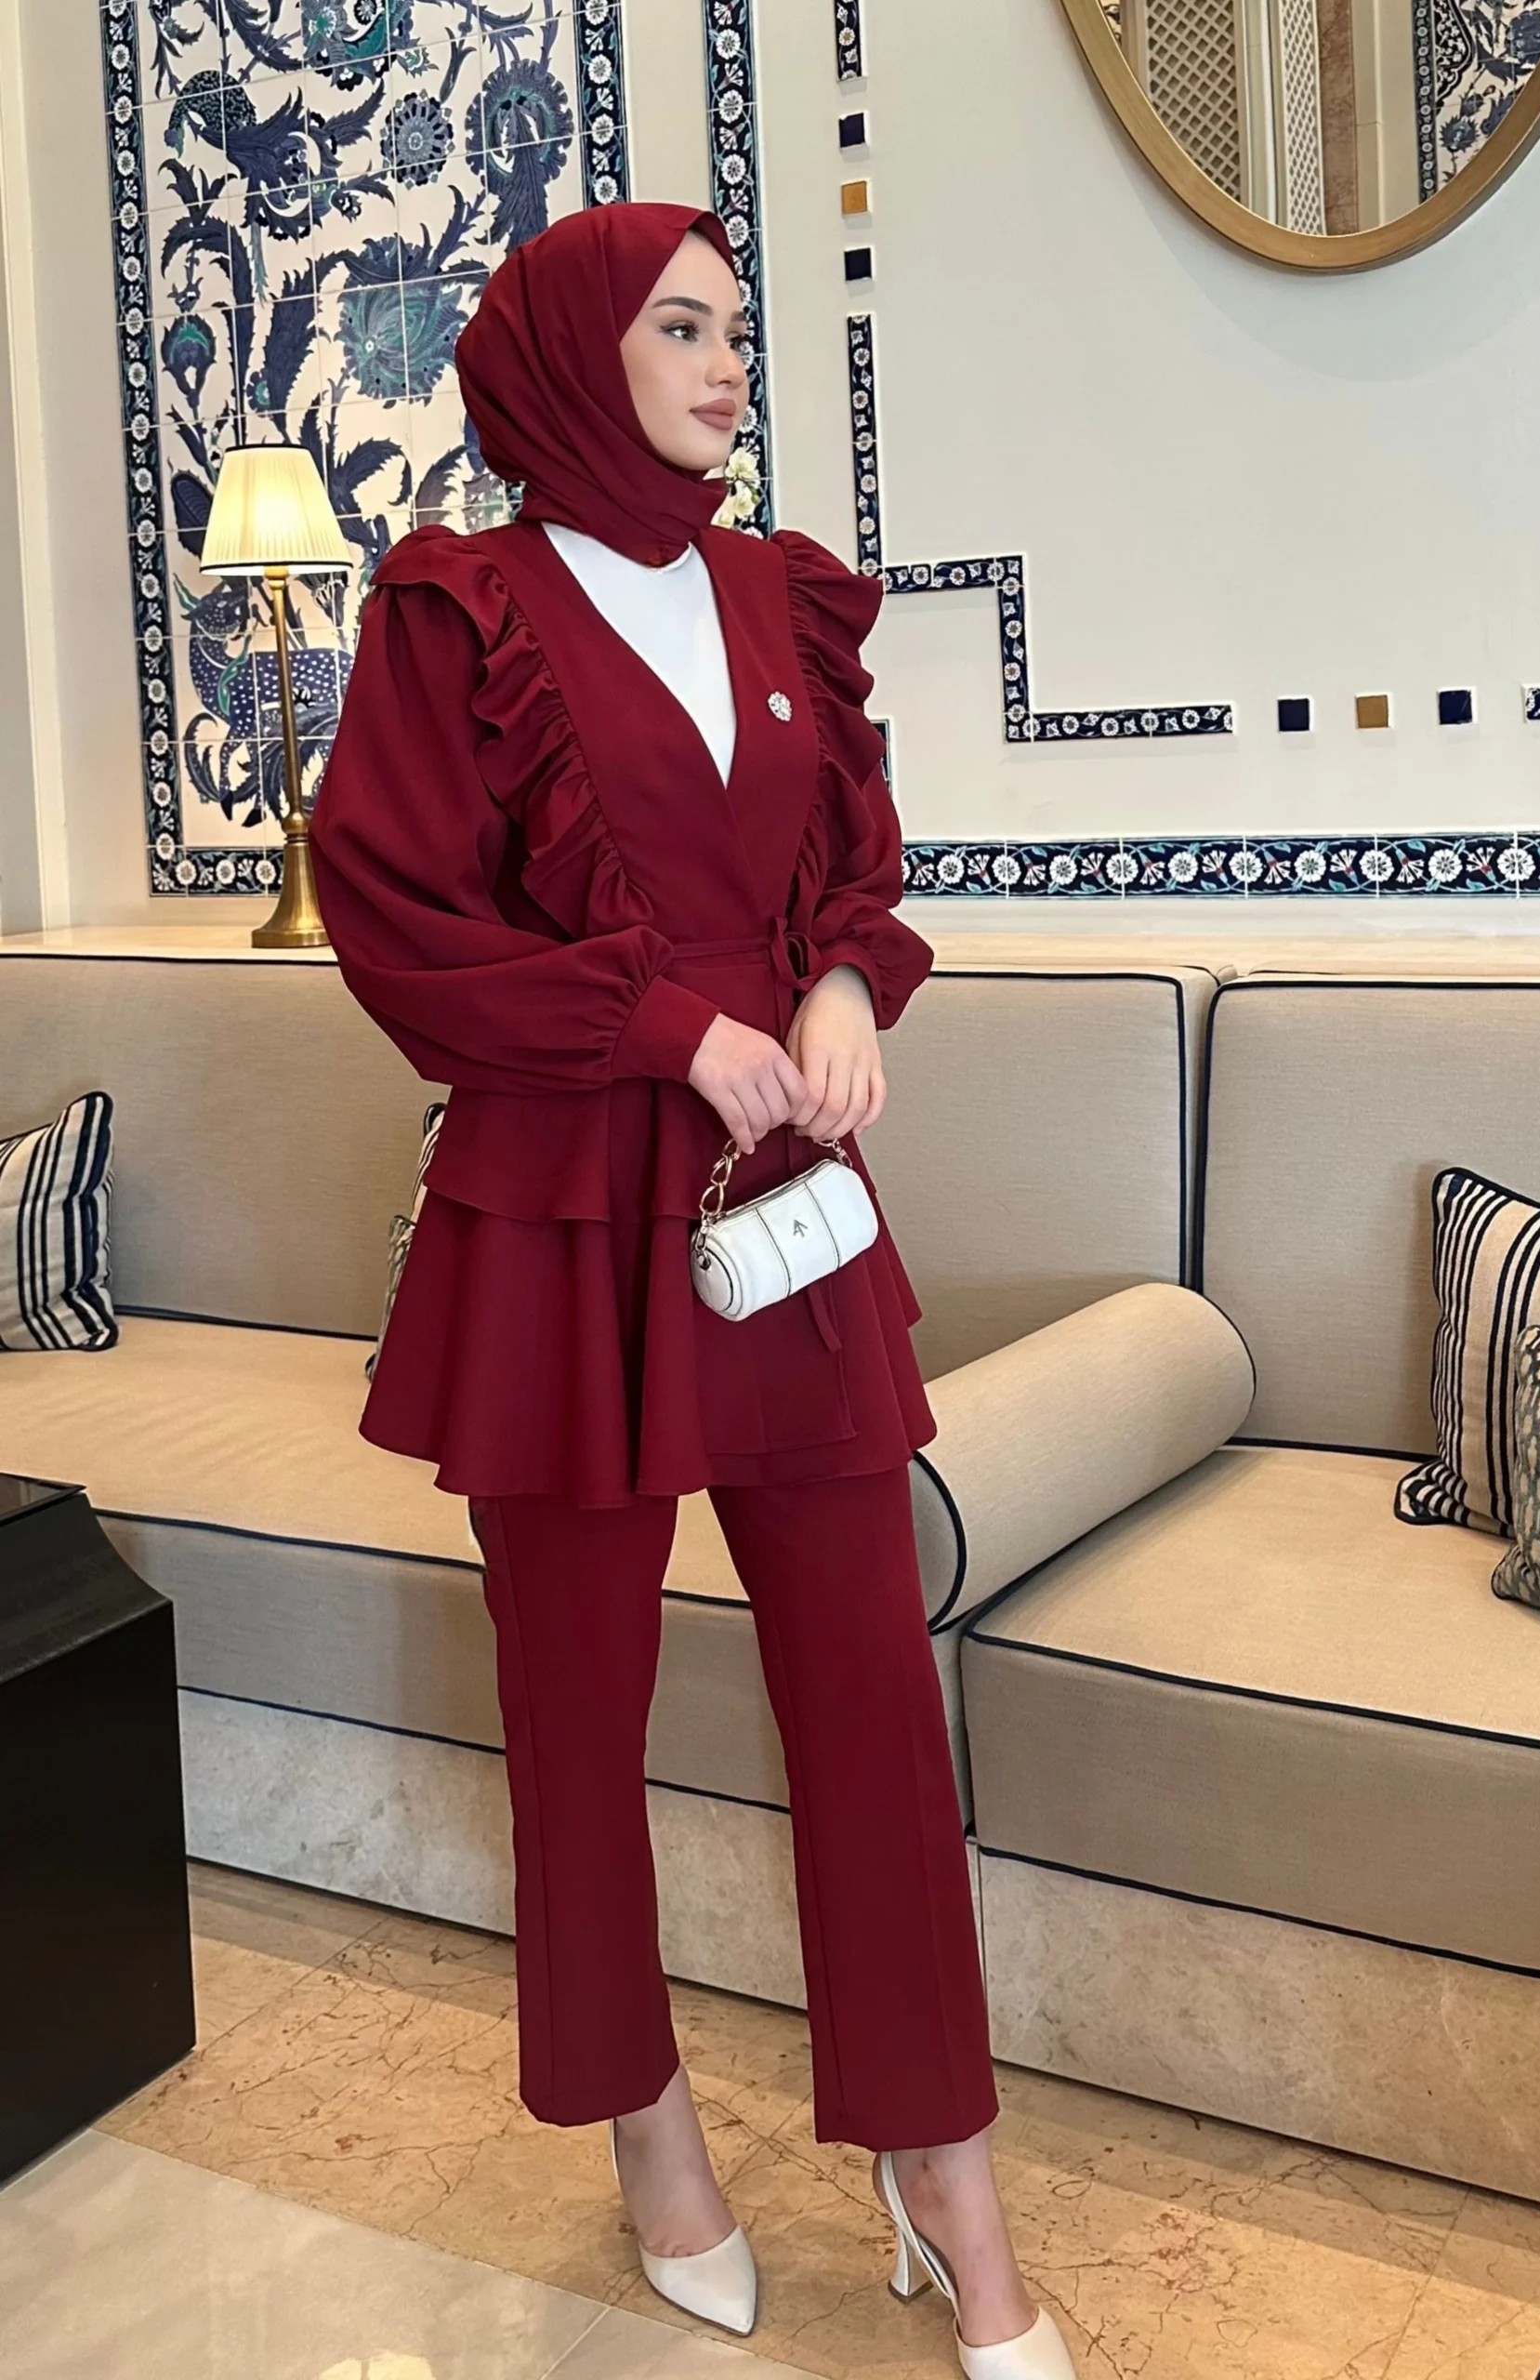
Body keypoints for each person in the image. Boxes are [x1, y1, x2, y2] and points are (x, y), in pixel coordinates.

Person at [308, 202, 1076, 2380]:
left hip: (785, 1203)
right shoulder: (456, 609)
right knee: (576, 1703)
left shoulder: (776, 594)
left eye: (736, 327)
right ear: (579, 351)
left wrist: (837, 984)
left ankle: (945, 2170)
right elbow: (397, 925)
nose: (730, 362)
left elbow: (852, 864)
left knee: (873, 1693)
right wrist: (670, 1027)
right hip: (560, 1211)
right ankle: (645, 2119)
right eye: (682, 326)